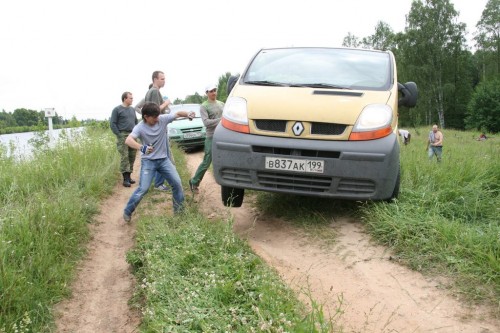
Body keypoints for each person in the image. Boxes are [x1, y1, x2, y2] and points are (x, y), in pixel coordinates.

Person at [122, 102, 195, 222]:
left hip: (163, 160)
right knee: (143, 189)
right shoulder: (140, 127)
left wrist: (188, 114)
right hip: (148, 162)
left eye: (158, 116)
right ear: (146, 116)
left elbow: (177, 114)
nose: (157, 119)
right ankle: (128, 211)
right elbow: (128, 140)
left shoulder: (162, 119)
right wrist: (142, 147)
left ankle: (180, 214)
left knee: (177, 184)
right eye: (154, 117)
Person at [189, 84, 225, 193]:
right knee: (207, 161)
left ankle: (225, 183)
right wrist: (221, 120)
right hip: (211, 136)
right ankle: (194, 182)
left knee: (223, 160)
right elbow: (206, 123)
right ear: (207, 93)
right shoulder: (204, 106)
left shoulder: (222, 104)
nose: (214, 93)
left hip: (222, 135)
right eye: (211, 91)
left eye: (215, 90)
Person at [145, 71, 174, 191]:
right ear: (155, 79)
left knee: (159, 155)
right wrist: (166, 103)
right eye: (162, 79)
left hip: (153, 129)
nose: (164, 81)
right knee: (163, 156)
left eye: (164, 78)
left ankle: (157, 181)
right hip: (158, 130)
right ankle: (158, 183)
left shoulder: (150, 91)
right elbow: (155, 111)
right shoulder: (155, 91)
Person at [110, 92, 138, 187]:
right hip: (123, 134)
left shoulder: (132, 110)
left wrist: (136, 133)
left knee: (132, 156)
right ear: (125, 99)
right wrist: (119, 135)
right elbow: (113, 123)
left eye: (132, 98)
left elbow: (136, 122)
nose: (132, 99)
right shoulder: (117, 110)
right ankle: (125, 179)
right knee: (124, 156)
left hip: (132, 135)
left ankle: (129, 177)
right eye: (130, 98)